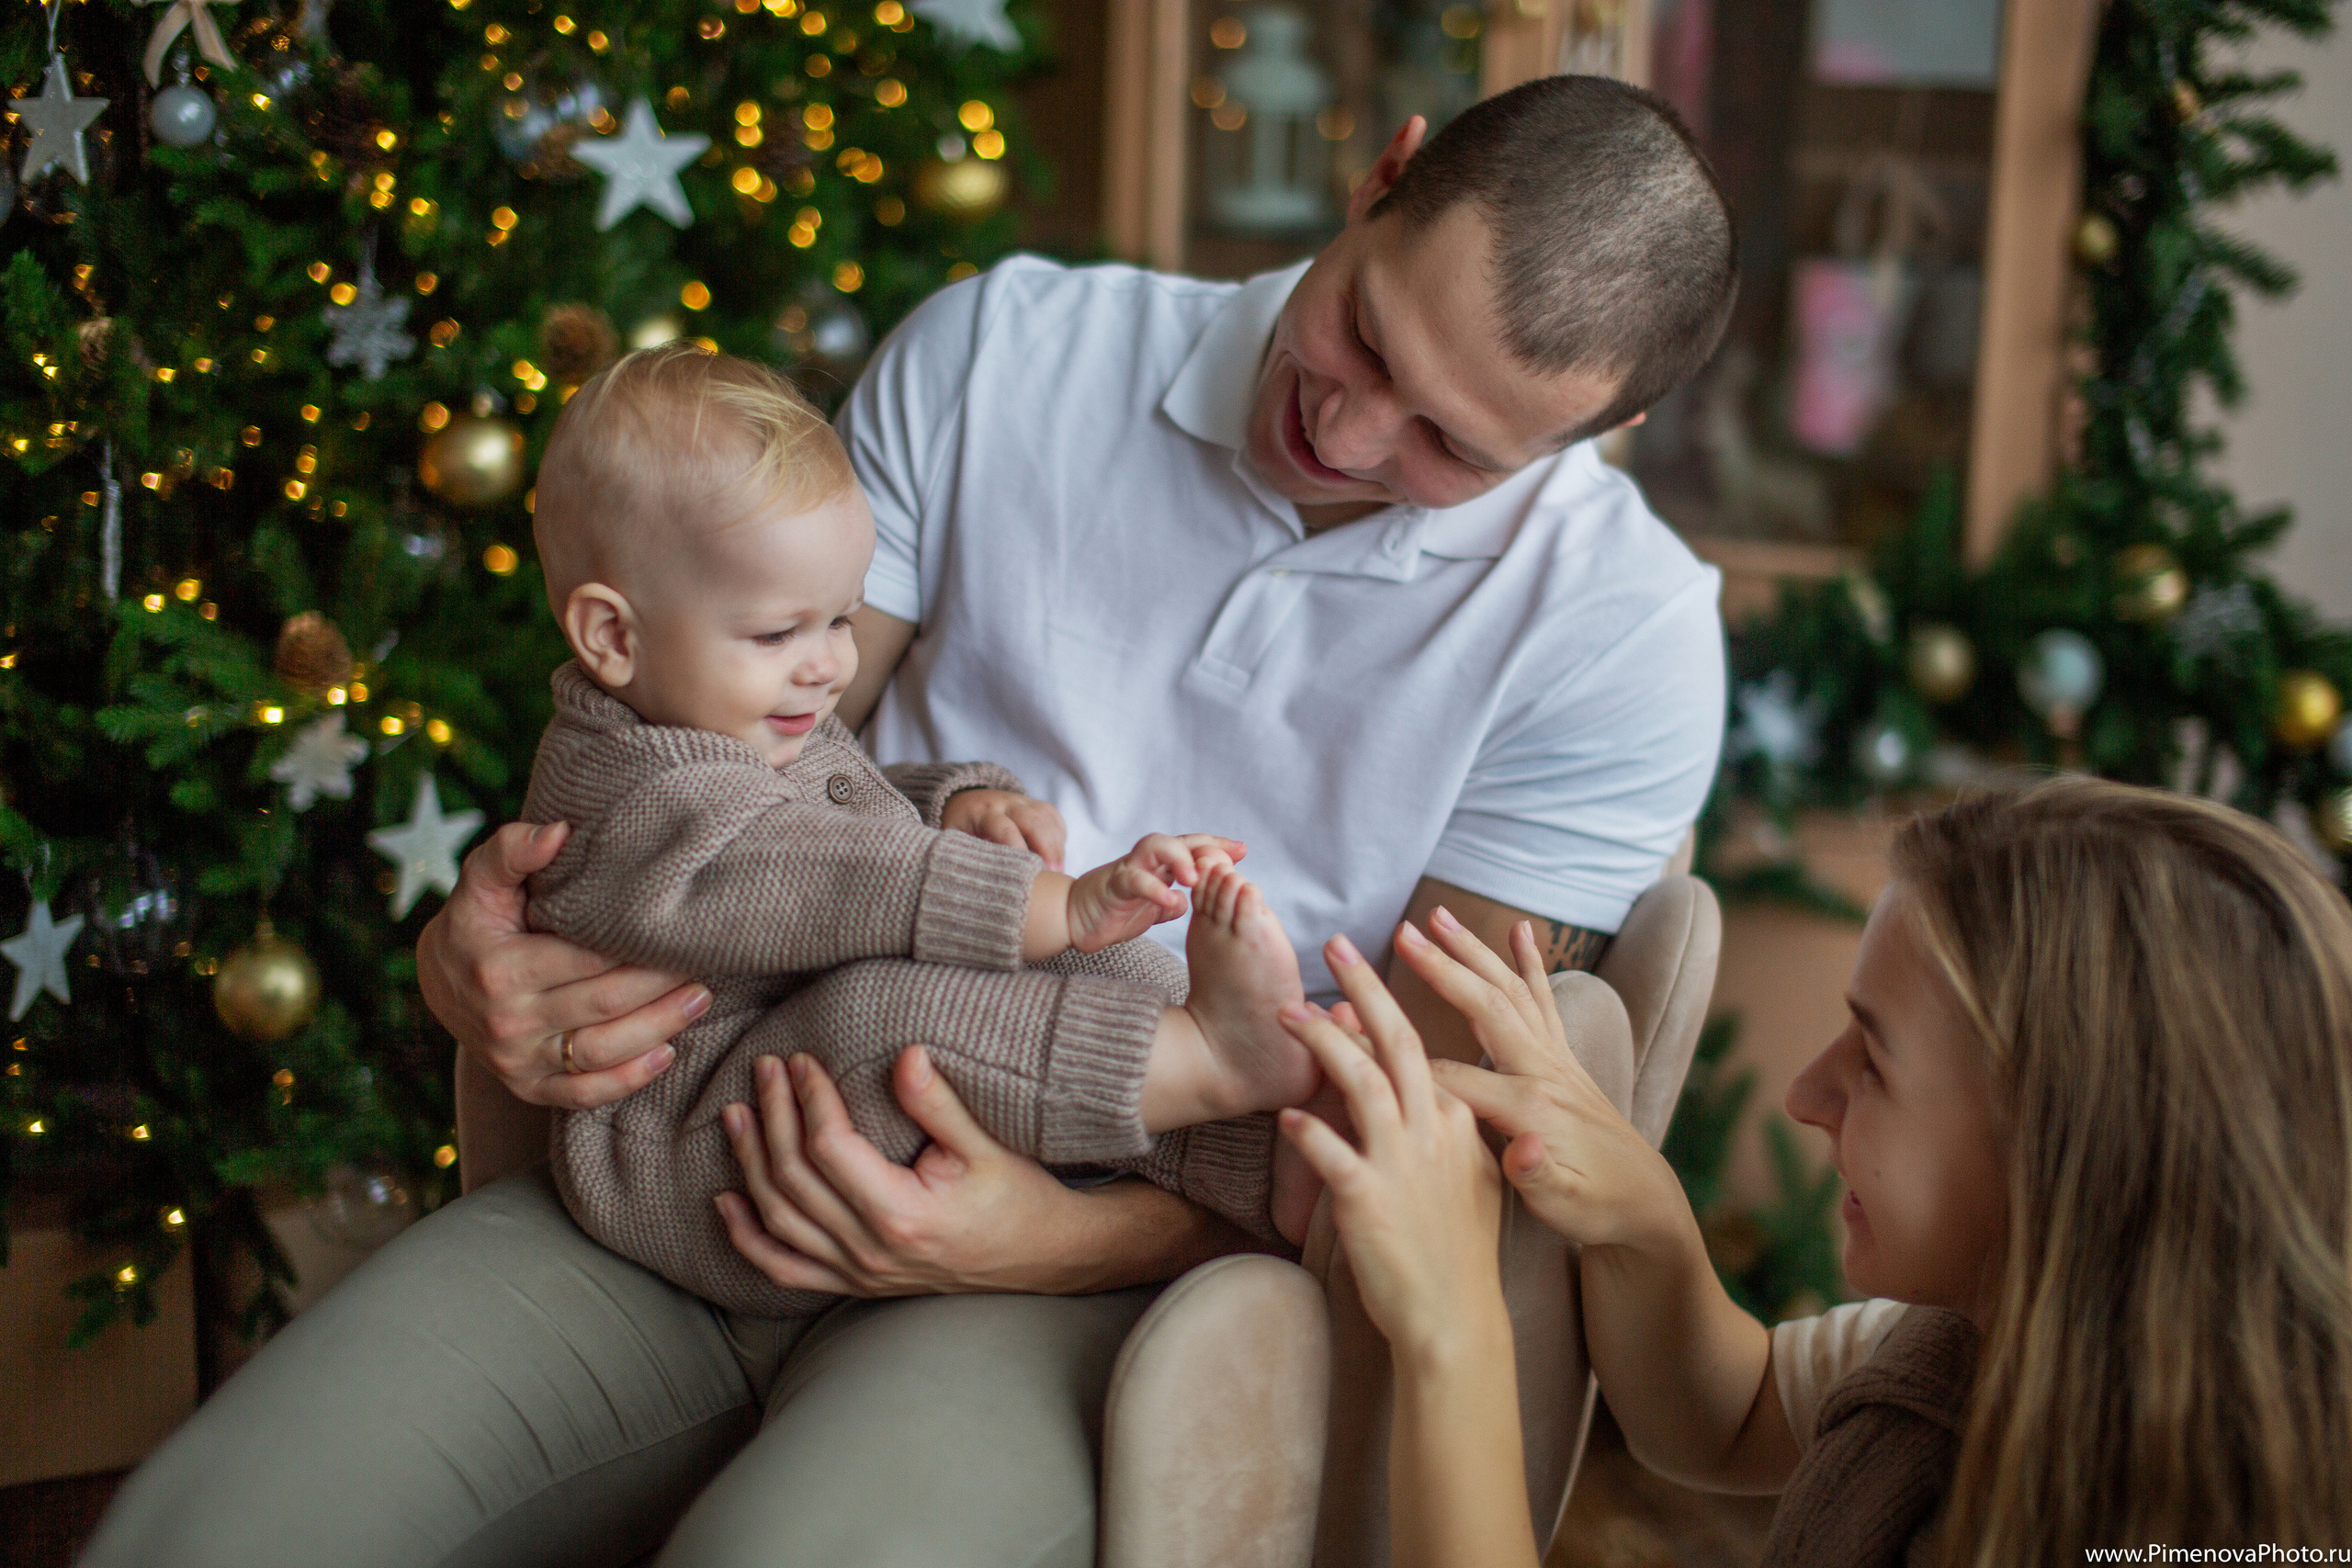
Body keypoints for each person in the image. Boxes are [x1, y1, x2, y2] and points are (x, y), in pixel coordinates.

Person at [85, 76, 1738, 1565]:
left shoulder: (1618, 635)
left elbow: (1421, 1139)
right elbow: (699, 747)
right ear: (1382, 175)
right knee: (205, 1527)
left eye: (1452, 445)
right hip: (705, 1137)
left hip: (1097, 1274)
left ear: (1587, 441)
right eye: (1368, 337)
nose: (1354, 430)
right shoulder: (1012, 349)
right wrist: (499, 945)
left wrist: (1059, 1242)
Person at [1282, 777, 2352, 1565]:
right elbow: (1734, 1413)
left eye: (1873, 1061)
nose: (1805, 1094)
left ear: (2072, 1153)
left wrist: (1450, 1331)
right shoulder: (1962, 1344)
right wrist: (1646, 1219)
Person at [523, 342, 1320, 1319]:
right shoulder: (626, 791)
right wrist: (1058, 902)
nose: (826, 667)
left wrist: (955, 805)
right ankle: (1217, 1062)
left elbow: (841, 813)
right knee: (878, 1018)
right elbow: (816, 876)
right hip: (701, 1153)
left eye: (841, 621)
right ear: (612, 636)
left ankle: (1266, 1145)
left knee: (1093, 970)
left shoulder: (721, 714)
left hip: (774, 1069)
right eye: (778, 633)